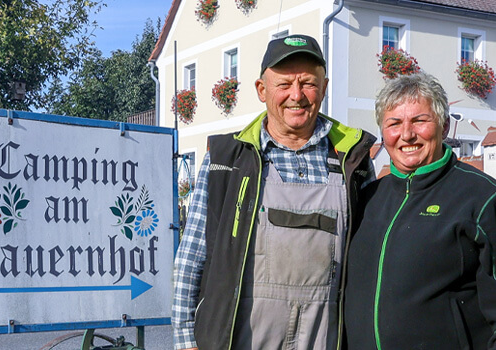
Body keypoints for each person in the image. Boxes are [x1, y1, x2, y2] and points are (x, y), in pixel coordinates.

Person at [172, 34, 376, 350]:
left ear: (324, 88)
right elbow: (191, 258)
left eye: (308, 83)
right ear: (261, 90)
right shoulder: (226, 158)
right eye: (284, 84)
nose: (297, 95)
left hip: (324, 338)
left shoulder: (352, 158)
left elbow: (370, 260)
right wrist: (186, 340)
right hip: (241, 340)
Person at [344, 72, 496, 349]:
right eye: (394, 123)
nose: (406, 134)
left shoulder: (482, 197)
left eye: (419, 120)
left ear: (445, 126)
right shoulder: (368, 198)